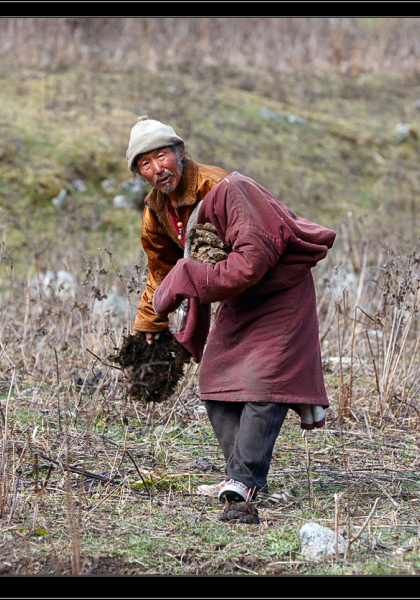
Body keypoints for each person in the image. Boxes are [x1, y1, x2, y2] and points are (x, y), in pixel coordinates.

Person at [126, 116, 336, 504]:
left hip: (279, 291)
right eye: (145, 163)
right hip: (234, 294)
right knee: (217, 382)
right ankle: (241, 476)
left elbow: (253, 259)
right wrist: (149, 324)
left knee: (262, 381)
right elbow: (164, 270)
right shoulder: (157, 210)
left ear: (180, 153)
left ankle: (245, 480)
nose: (157, 169)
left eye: (161, 156)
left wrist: (189, 275)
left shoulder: (222, 188)